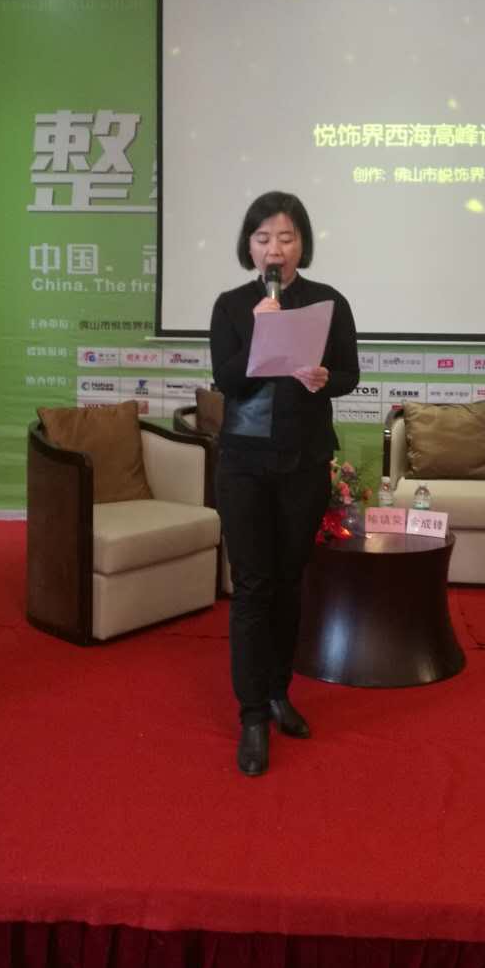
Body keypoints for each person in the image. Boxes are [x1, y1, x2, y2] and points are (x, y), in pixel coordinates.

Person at [210, 191, 360, 777]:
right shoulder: (232, 306)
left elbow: (349, 374)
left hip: (303, 460)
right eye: (263, 238)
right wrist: (260, 331)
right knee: (252, 586)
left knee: (290, 581)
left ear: (302, 244)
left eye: (286, 237)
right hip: (245, 464)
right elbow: (228, 380)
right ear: (249, 247)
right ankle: (251, 714)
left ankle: (278, 692)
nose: (275, 249)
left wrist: (324, 377)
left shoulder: (329, 302)